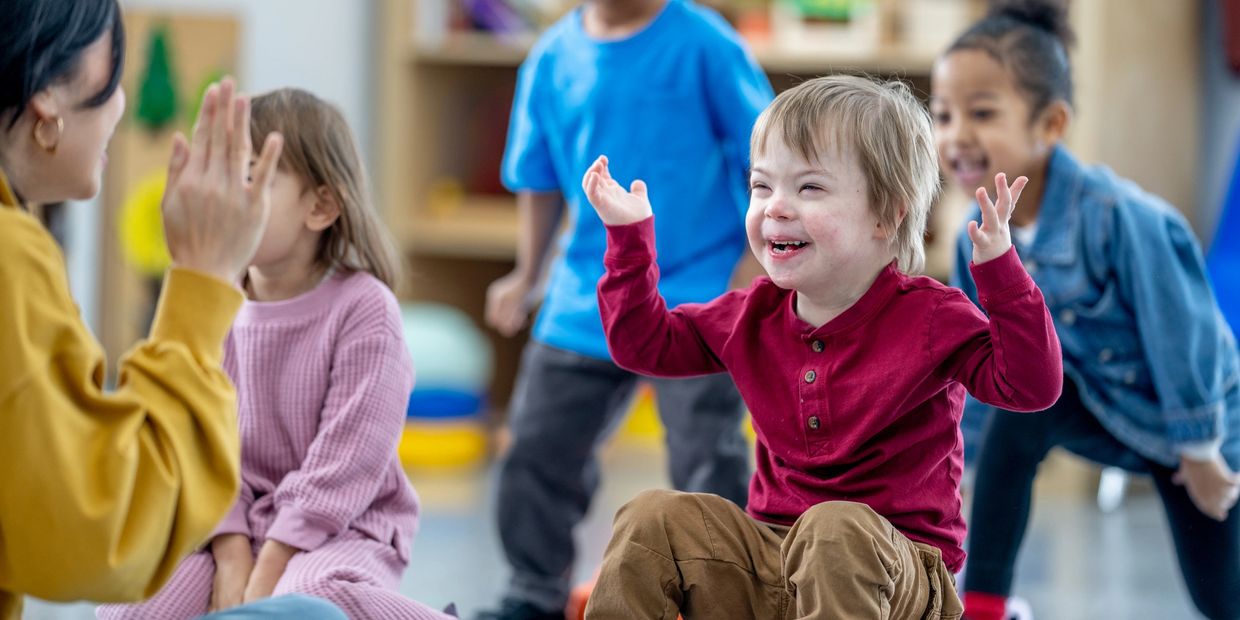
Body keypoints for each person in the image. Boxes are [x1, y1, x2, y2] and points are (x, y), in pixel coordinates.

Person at [578, 74, 1062, 619]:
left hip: (898, 574)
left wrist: (1002, 274)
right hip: (772, 559)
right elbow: (644, 345)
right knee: (650, 518)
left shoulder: (932, 315)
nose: (776, 207)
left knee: (834, 527)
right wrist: (628, 242)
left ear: (888, 214)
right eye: (762, 186)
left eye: (809, 188)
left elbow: (1031, 387)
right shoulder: (751, 313)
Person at [0, 1, 344, 618]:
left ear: (323, 207)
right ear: (46, 97)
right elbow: (104, 535)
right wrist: (201, 285)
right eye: (113, 75)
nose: (123, 105)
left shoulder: (360, 308)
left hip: (318, 547)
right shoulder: (11, 255)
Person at [96, 88, 455, 620]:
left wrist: (267, 571)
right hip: (230, 528)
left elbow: (346, 467)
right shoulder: (218, 302)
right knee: (127, 613)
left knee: (307, 604)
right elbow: (199, 447)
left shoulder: (365, 310)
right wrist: (233, 551)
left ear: (321, 206)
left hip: (344, 530)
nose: (228, 196)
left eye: (251, 176)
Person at [931, 2, 1240, 619]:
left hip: (1190, 419)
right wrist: (962, 459)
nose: (955, 134)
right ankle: (986, 607)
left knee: (1222, 599)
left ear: (1050, 125)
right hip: (1099, 406)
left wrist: (1200, 449)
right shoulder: (976, 237)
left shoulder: (1121, 217)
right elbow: (985, 367)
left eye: (982, 113)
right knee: (1018, 418)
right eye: (942, 115)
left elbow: (1185, 336)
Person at [477, 0, 773, 617]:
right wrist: (526, 274)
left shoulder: (705, 45)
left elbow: (765, 150)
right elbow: (538, 179)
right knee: (535, 450)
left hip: (699, 292)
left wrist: (755, 256)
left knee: (707, 456)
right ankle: (532, 590)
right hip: (585, 297)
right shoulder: (552, 57)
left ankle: (721, 599)